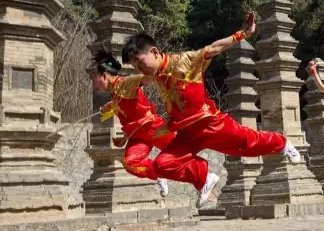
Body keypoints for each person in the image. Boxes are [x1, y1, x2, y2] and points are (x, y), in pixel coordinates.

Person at [120, 12, 302, 208]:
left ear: (154, 52)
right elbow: (132, 85)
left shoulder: (184, 60)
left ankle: (282, 143)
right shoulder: (155, 76)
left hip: (209, 123)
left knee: (247, 142)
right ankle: (205, 177)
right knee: (162, 164)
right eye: (135, 66)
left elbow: (214, 48)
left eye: (140, 62)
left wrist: (243, 33)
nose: (140, 69)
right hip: (186, 133)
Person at [92, 48, 175, 198]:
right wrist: (124, 137)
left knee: (181, 151)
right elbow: (129, 117)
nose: (96, 84)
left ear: (104, 75)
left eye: (96, 78)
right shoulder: (115, 95)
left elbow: (145, 78)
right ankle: (159, 175)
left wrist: (163, 73)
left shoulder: (126, 83)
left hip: (152, 127)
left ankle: (206, 178)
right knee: (130, 163)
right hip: (139, 136)